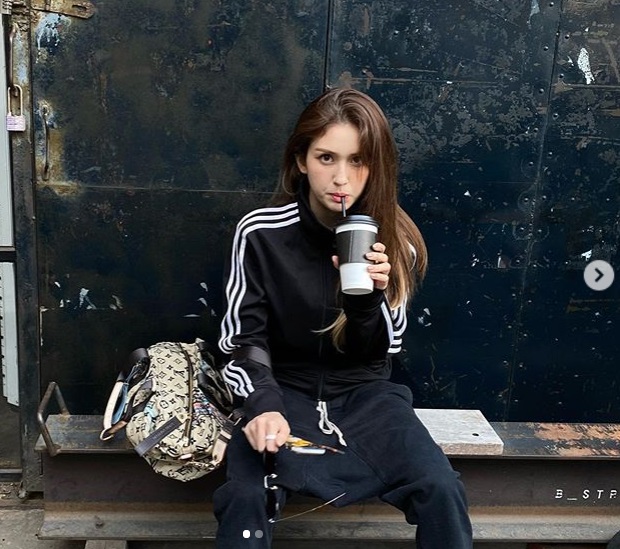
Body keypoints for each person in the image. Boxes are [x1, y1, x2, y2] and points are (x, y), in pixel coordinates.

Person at [215, 86, 473, 548]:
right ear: (301, 160)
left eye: (358, 161)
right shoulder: (261, 233)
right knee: (245, 493)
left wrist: (368, 301)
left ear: (376, 166)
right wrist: (263, 404)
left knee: (441, 487)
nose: (341, 178)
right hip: (283, 390)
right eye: (326, 158)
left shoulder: (396, 242)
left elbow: (382, 351)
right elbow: (243, 341)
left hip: (367, 397)